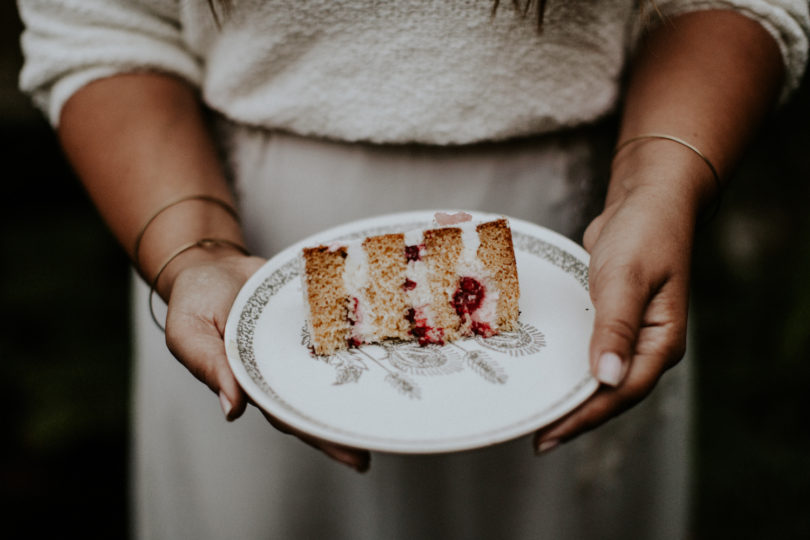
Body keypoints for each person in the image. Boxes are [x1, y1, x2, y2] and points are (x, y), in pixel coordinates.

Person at [18, 0, 808, 538]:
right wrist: (192, 250)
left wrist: (659, 187)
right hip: (238, 244)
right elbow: (102, 21)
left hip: (586, 245)